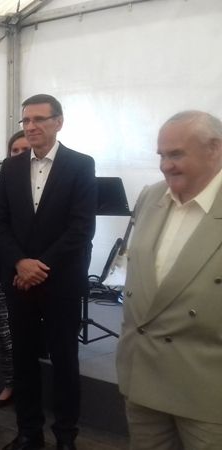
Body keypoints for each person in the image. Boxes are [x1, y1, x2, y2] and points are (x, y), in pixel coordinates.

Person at [0, 94, 97, 450]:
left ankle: (66, 436)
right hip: (18, 280)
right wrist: (20, 263)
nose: (31, 126)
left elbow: (81, 228)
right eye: (26, 120)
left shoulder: (80, 165)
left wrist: (39, 266)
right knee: (23, 360)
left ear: (59, 122)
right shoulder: (11, 168)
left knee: (65, 359)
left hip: (61, 281)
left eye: (39, 119)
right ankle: (29, 432)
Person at [116, 110, 222, 450]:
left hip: (208, 388)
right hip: (143, 375)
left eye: (176, 154)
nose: (165, 165)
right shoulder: (151, 197)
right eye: (161, 155)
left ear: (214, 148)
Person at [0, 130, 32, 407]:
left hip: (37, 269)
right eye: (14, 150)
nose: (19, 155)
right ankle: (9, 383)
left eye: (24, 150)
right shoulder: (0, 179)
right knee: (4, 332)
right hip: (4, 265)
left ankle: (29, 389)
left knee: (29, 335)